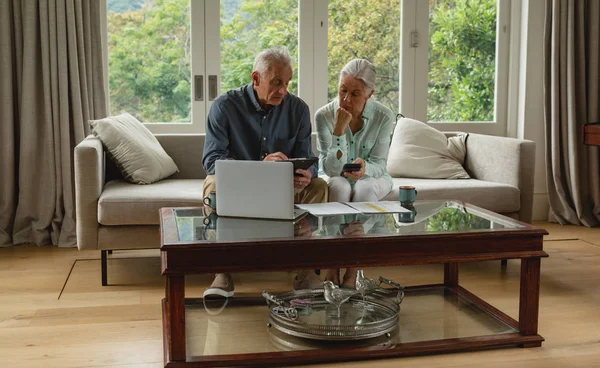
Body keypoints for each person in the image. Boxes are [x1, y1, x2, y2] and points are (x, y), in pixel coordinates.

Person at [201, 46, 328, 298]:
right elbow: (211, 160)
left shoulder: (298, 110)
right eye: (276, 82)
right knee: (213, 186)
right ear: (256, 78)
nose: (283, 90)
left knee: (320, 186)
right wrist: (260, 168)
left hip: (284, 185)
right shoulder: (224, 106)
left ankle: (306, 273)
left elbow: (309, 157)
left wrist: (307, 173)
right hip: (239, 183)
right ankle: (223, 272)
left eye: (288, 82)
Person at [315, 58, 395, 288]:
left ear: (369, 94)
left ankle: (352, 272)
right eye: (343, 90)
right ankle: (333, 268)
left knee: (365, 186)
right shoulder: (324, 115)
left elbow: (380, 164)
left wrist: (365, 168)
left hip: (373, 178)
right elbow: (330, 169)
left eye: (355, 94)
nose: (346, 99)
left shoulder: (384, 116)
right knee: (339, 186)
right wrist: (339, 130)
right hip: (336, 176)